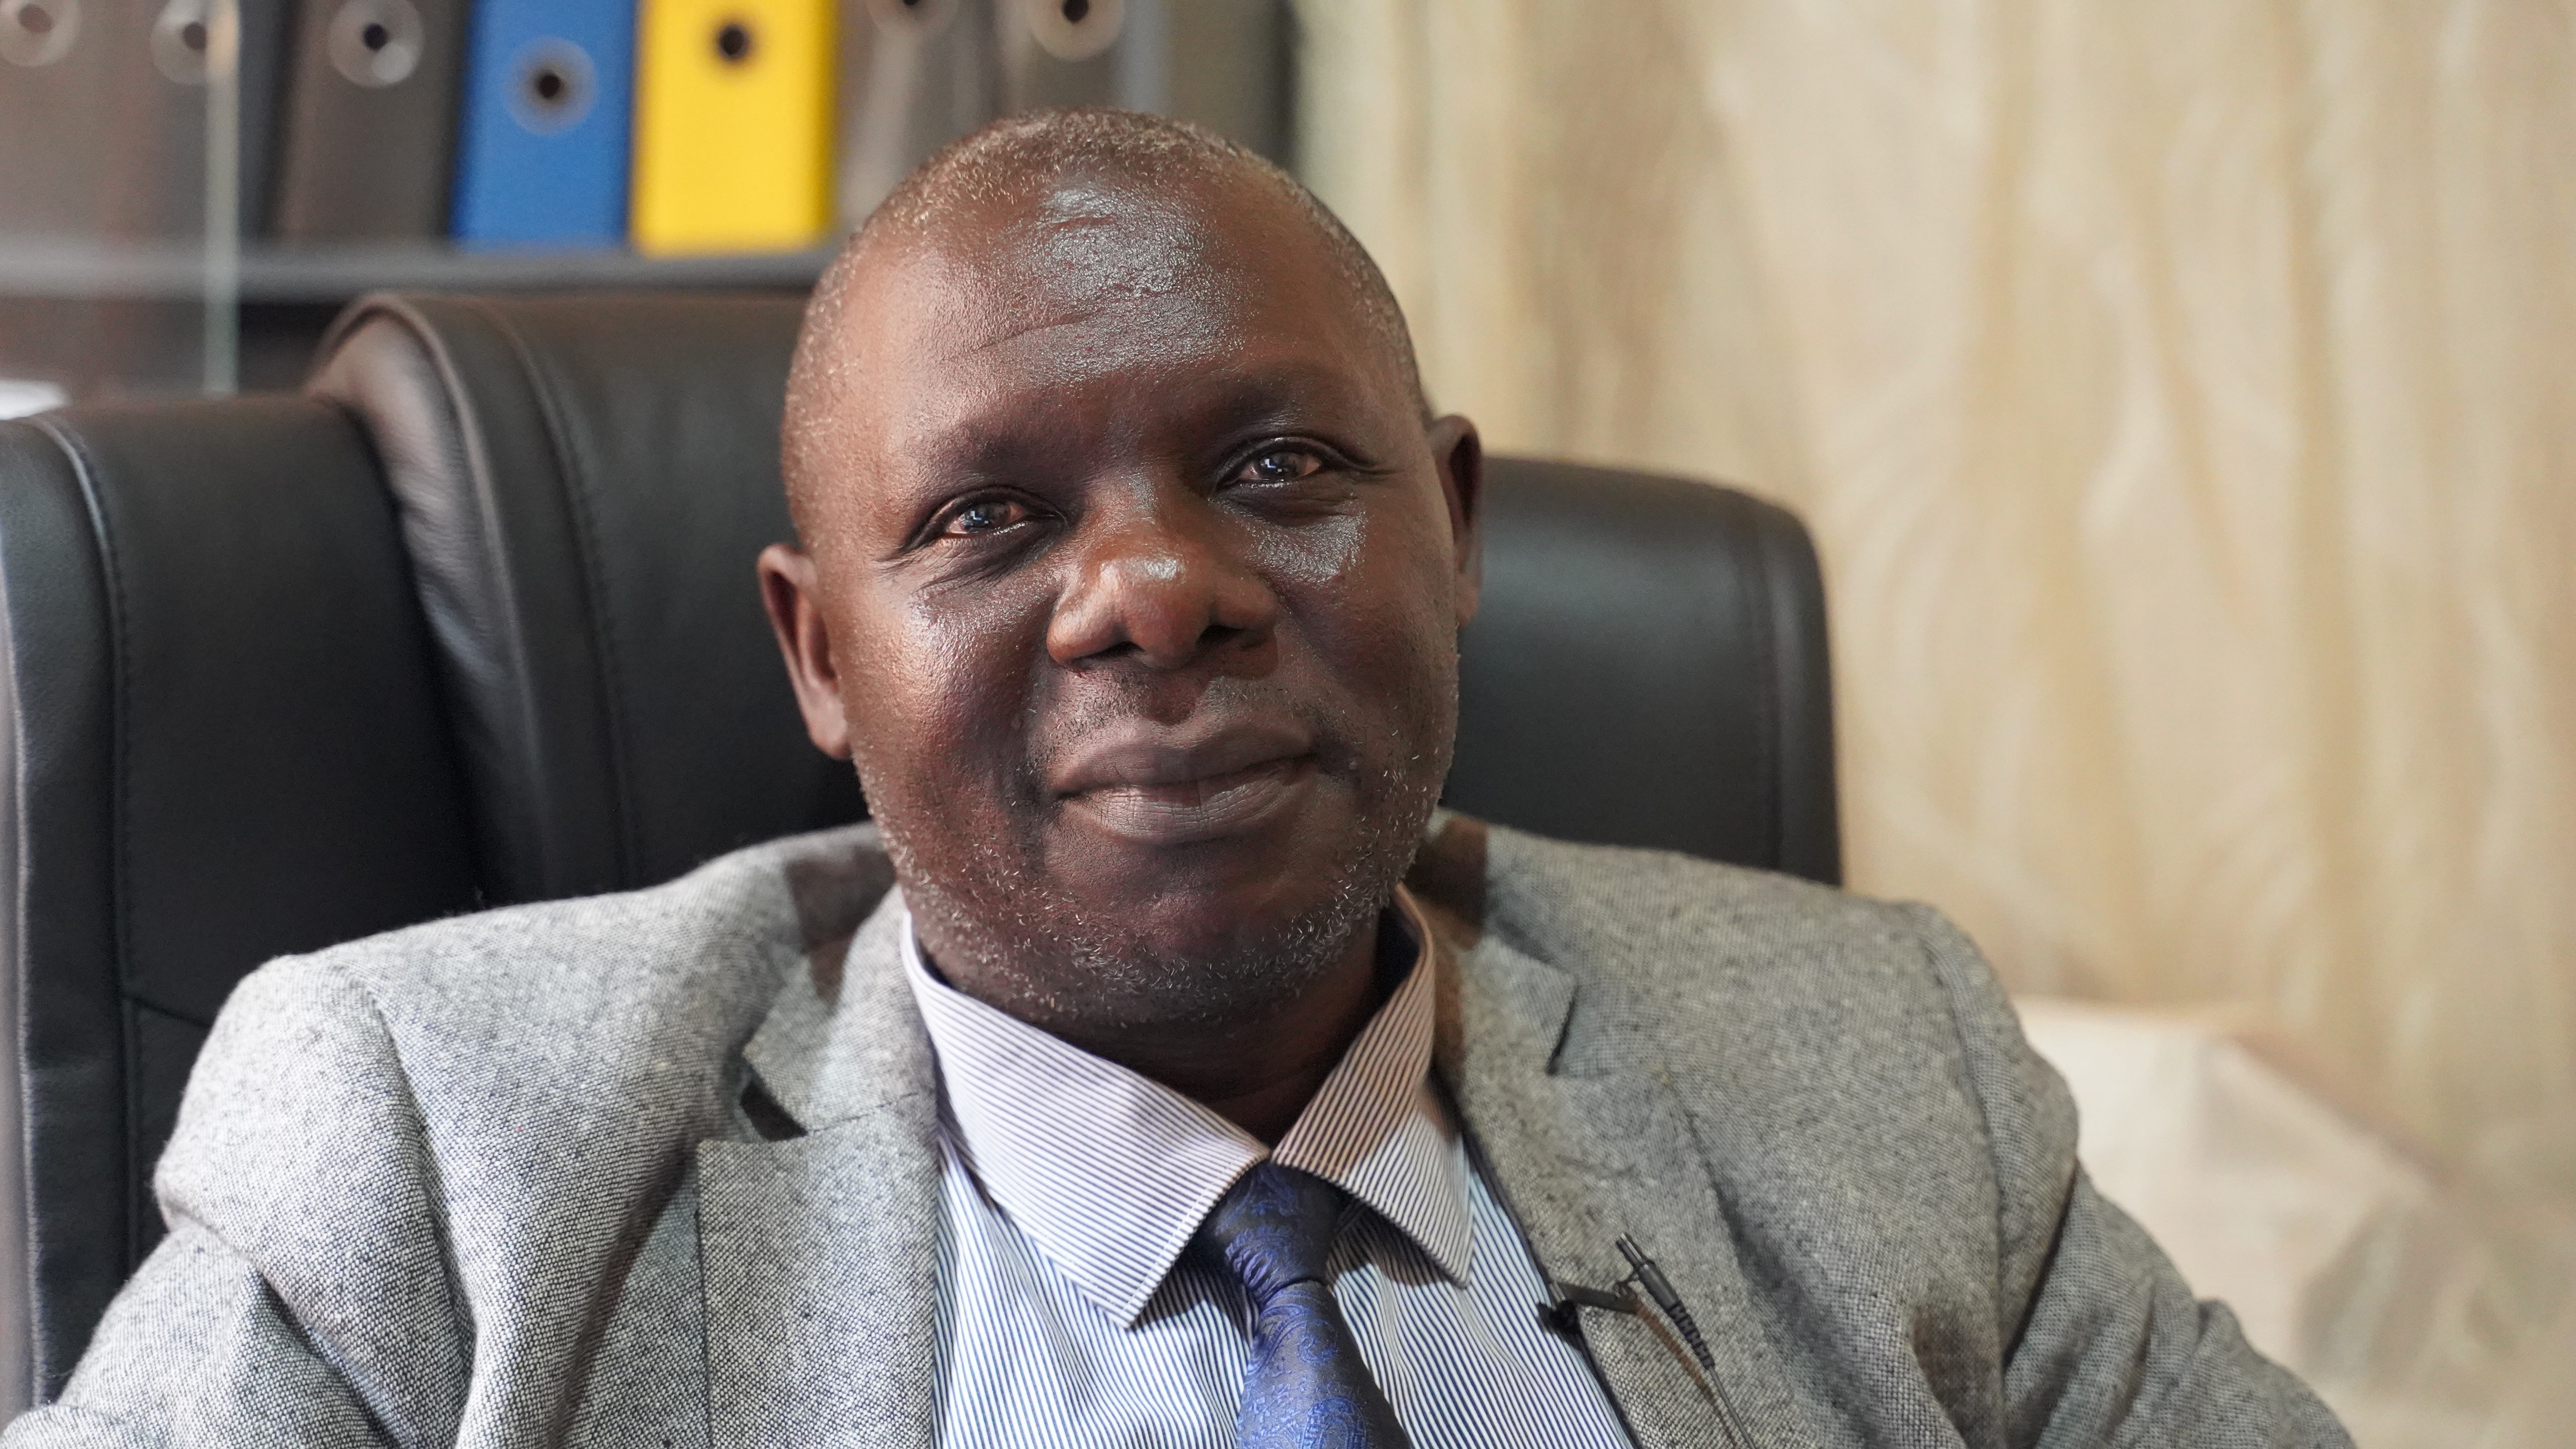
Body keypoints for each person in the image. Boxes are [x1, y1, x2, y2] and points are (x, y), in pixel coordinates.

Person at [3, 111, 2349, 1449]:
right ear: (820, 656)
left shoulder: (1878, 1072)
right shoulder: (440, 1155)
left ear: (1453, 532)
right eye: (988, 522)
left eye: (1274, 463)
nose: (1157, 593)